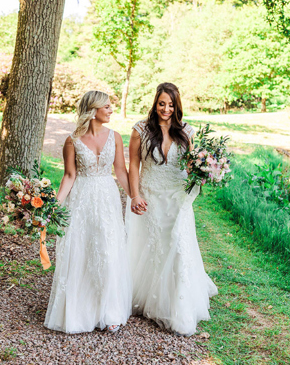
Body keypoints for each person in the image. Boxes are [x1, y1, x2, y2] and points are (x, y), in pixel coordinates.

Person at [126, 82, 217, 336]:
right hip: (151, 195)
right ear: (155, 103)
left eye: (171, 104)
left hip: (178, 196)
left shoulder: (186, 131)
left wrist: (206, 170)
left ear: (177, 106)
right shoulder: (140, 131)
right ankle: (151, 298)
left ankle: (177, 306)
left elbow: (191, 165)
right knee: (155, 246)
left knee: (178, 245)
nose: (166, 109)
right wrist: (135, 195)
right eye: (161, 103)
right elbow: (133, 165)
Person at [45, 90, 131, 334]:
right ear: (93, 110)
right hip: (81, 198)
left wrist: (134, 196)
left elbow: (121, 172)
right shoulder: (72, 140)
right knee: (81, 249)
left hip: (107, 197)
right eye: (106, 106)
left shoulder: (115, 137)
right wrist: (54, 205)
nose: (111, 110)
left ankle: (109, 310)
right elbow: (69, 175)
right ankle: (80, 311)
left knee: (107, 248)